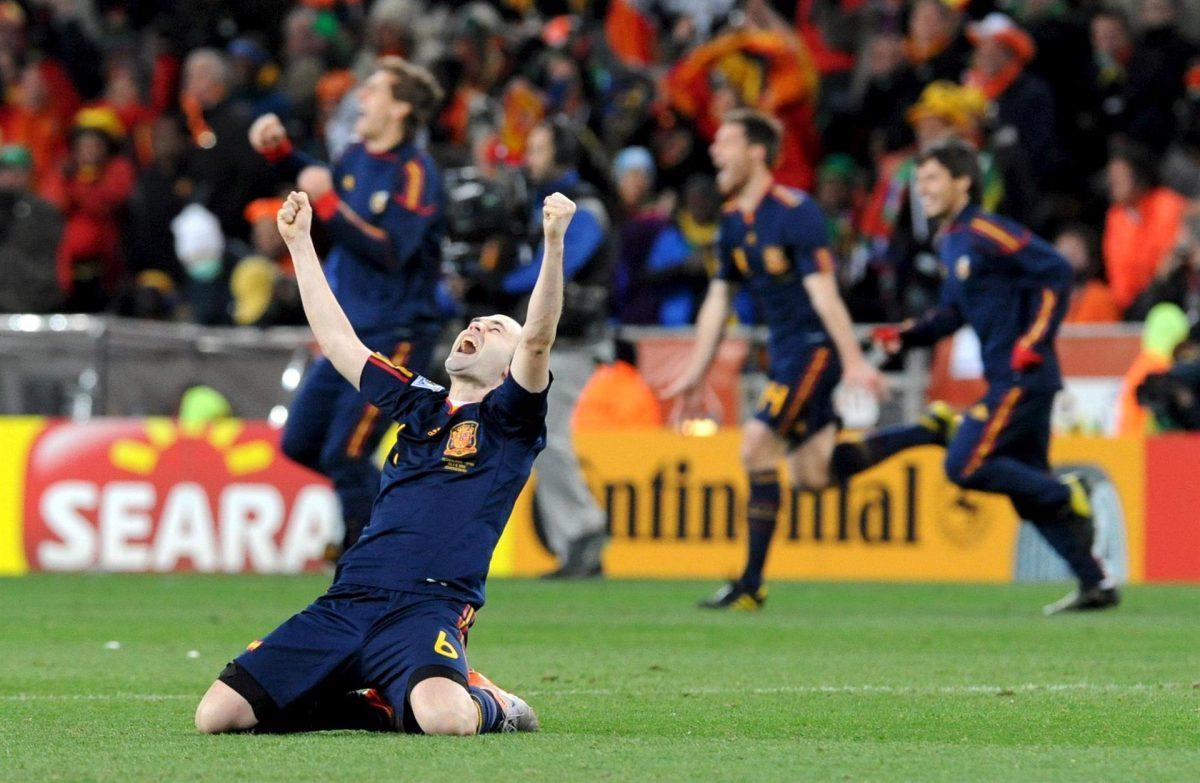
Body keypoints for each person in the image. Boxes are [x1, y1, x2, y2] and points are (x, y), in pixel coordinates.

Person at [194, 188, 577, 736]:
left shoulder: (510, 421)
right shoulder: (419, 402)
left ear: (510, 366)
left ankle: (492, 702)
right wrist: (301, 244)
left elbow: (538, 339)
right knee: (218, 716)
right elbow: (340, 342)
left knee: (448, 721)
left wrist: (553, 242)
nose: (476, 327)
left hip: (427, 610)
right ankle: (377, 706)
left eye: (495, 329)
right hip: (349, 598)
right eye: (475, 322)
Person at [839, 139, 1117, 615]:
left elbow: (1055, 270)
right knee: (1025, 491)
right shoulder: (953, 242)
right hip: (1011, 378)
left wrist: (1034, 340)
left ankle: (1066, 491)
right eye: (918, 180)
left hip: (1021, 375)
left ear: (962, 181)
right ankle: (1096, 582)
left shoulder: (986, 229)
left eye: (930, 178)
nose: (920, 188)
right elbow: (952, 314)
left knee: (964, 465)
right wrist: (906, 336)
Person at [663, 109, 886, 610]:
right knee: (812, 473)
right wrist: (696, 374)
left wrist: (852, 360)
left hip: (813, 350)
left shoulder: (795, 212)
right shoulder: (731, 223)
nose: (716, 153)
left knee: (756, 447)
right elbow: (718, 301)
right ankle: (930, 433)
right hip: (784, 354)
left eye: (726, 142)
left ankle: (750, 584)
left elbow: (825, 292)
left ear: (757, 151)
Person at [248, 57, 446, 555]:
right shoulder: (357, 155)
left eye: (375, 90)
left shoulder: (417, 172)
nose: (362, 97)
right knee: (301, 442)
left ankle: (362, 564)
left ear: (401, 108)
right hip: (347, 336)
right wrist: (282, 154)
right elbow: (320, 180)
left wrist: (330, 206)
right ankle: (409, 520)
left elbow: (391, 249)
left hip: (394, 336)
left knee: (347, 453)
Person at [502, 118, 612, 579]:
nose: (530, 156)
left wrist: (499, 283)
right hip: (547, 341)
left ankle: (584, 530)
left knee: (548, 436)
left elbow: (559, 265)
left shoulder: (585, 208)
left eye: (539, 147)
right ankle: (575, 540)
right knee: (538, 436)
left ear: (562, 154)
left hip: (572, 341)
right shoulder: (534, 206)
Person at [0, 144, 63, 314]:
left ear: (29, 174)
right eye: (5, 170)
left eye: (18, 171)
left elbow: (50, 264)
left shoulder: (44, 212)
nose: (10, 177)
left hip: (28, 305)